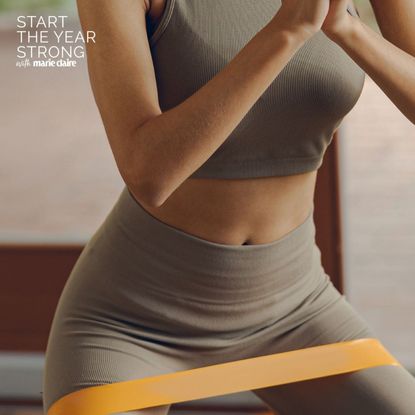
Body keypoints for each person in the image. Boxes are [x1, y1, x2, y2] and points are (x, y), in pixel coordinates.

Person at [42, 0, 415, 414]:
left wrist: (349, 31)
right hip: (135, 320)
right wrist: (286, 32)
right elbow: (149, 173)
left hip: (296, 306)